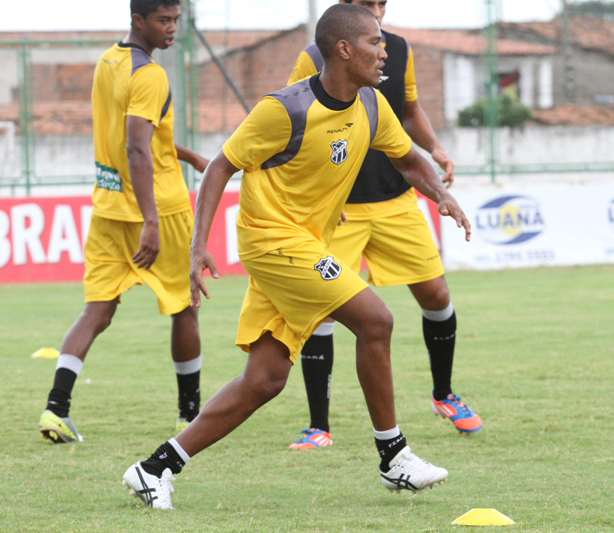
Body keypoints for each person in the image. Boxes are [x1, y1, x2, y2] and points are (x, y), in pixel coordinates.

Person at [121, 3, 471, 509]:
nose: (385, 48)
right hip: (272, 242)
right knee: (376, 320)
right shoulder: (286, 108)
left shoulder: (371, 105)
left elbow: (407, 157)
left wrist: (442, 193)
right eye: (375, 41)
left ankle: (155, 468)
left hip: (306, 246)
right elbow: (221, 166)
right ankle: (394, 456)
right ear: (344, 49)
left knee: (265, 380)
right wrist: (199, 245)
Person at [284, 0, 481, 451]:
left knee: (437, 295)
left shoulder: (396, 50)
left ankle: (444, 394)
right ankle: (319, 426)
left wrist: (435, 149)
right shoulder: (314, 58)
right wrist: (317, 196)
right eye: (367, 4)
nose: (377, 11)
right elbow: (296, 126)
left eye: (381, 4)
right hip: (341, 209)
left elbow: (409, 111)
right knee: (327, 311)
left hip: (396, 200)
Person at [38, 0, 208, 444]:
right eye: (163, 20)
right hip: (159, 211)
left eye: (176, 20)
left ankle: (55, 410)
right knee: (184, 305)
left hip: (108, 208)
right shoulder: (150, 75)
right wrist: (150, 221)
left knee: (97, 308)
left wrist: (187, 155)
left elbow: (134, 139)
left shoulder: (109, 60)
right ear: (138, 20)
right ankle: (189, 417)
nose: (172, 28)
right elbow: (136, 147)